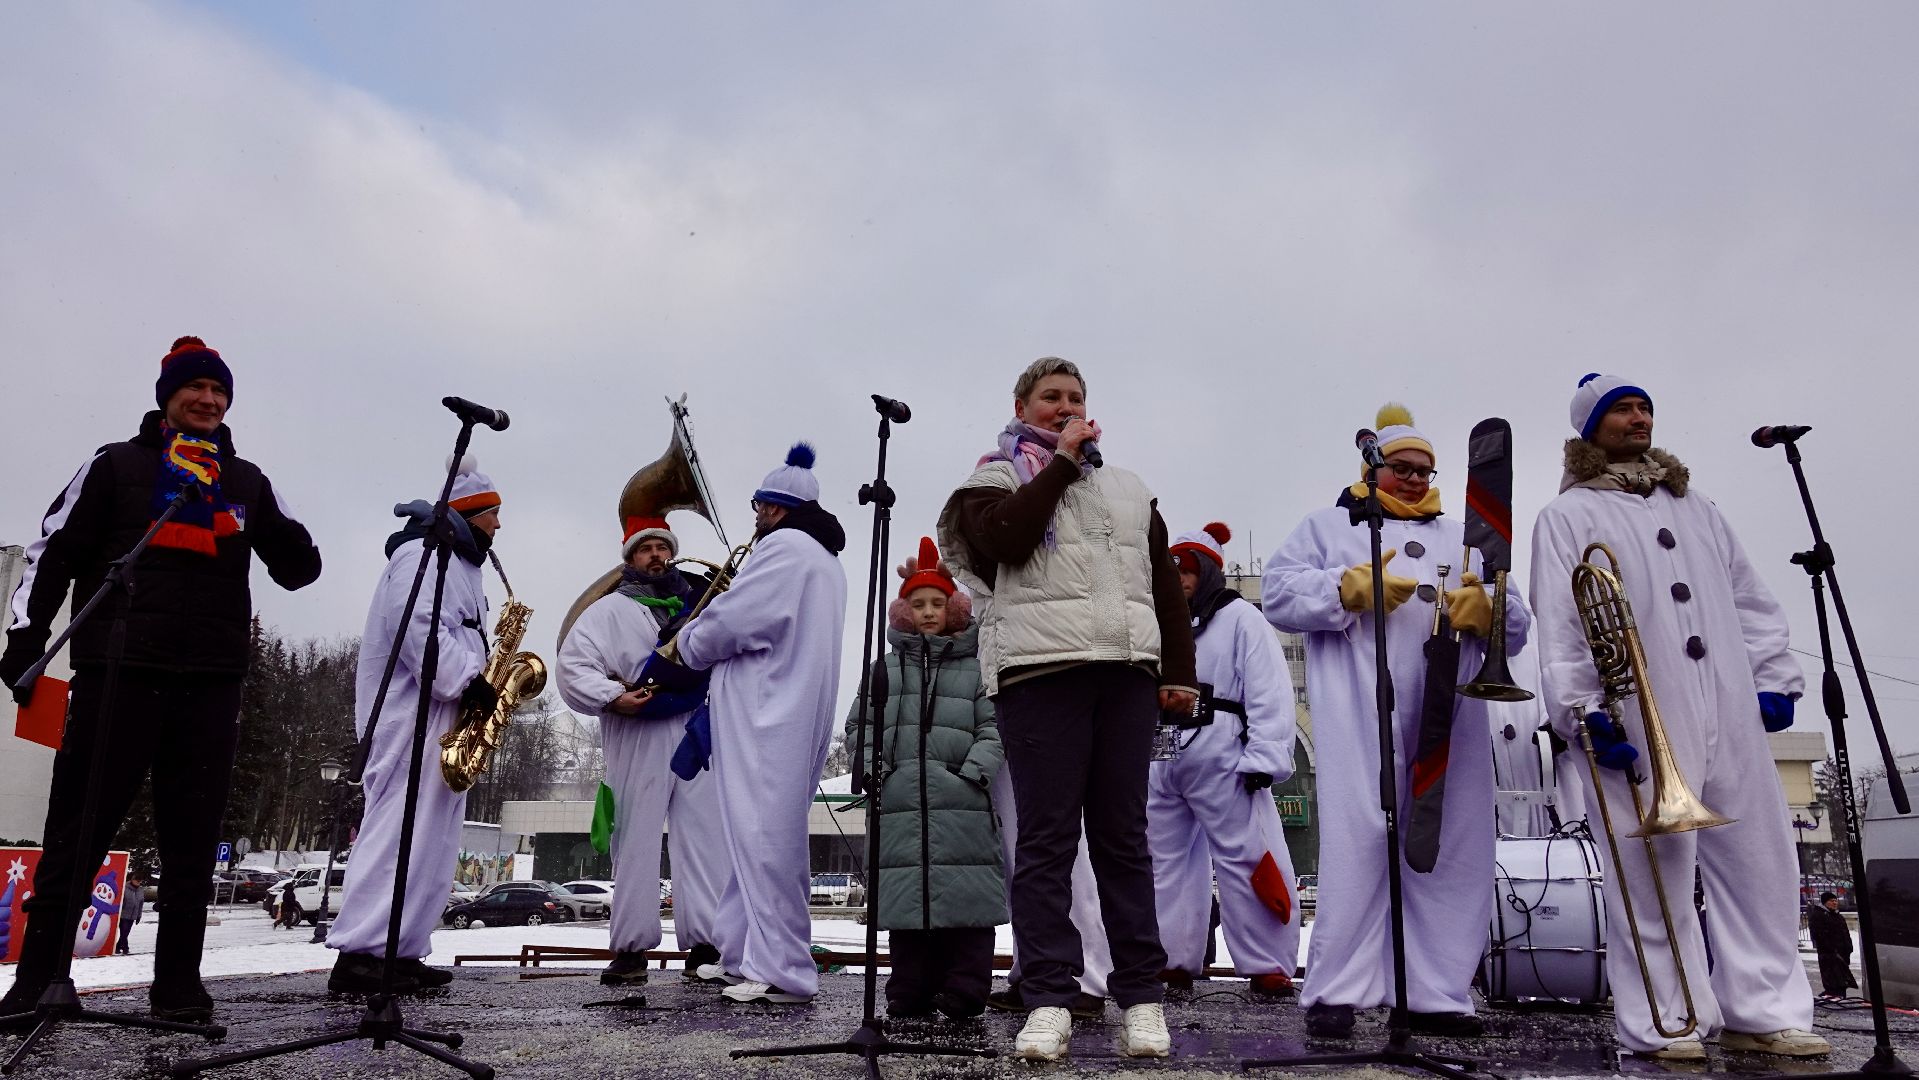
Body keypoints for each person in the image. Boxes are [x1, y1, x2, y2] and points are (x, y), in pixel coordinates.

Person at [0, 337, 321, 1023]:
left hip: (210, 681)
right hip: (120, 671)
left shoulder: (245, 479)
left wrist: (284, 530)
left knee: (191, 845)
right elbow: (49, 555)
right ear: (166, 397)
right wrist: (25, 642)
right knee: (76, 834)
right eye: (193, 390)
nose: (206, 401)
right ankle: (38, 983)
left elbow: (299, 569)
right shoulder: (117, 466)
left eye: (218, 393)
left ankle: (177, 987)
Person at [1530, 374, 1829, 1060]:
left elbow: (1750, 601)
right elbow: (1561, 623)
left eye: (1643, 407)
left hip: (1727, 708)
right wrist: (1582, 711)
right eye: (1620, 410)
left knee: (1761, 865)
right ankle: (1666, 1019)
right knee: (1650, 873)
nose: (1637, 418)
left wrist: (1774, 679)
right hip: (1637, 714)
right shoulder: (1568, 517)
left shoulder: (1697, 507)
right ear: (1591, 428)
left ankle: (1763, 1011)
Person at [938, 356, 1196, 1061]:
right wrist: (1057, 465)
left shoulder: (1128, 488)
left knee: (1123, 840)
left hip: (1123, 674)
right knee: (1047, 843)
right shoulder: (991, 479)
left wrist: (1177, 673)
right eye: (1050, 397)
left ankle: (1141, 997)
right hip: (1037, 673)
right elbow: (1004, 543)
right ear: (1021, 405)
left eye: (1075, 398)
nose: (1064, 406)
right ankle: (1048, 996)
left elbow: (1164, 585)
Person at [1264, 404, 1531, 1040]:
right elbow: (1277, 593)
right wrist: (1343, 590)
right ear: (1372, 467)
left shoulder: (1464, 533)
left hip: (1451, 707)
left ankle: (1436, 991)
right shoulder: (1329, 526)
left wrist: (1486, 609)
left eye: (1424, 470)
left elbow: (1518, 626)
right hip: (1363, 703)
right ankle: (1338, 990)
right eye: (1402, 468)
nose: (1415, 479)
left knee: (1450, 844)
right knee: (1359, 839)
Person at [674, 443, 847, 1005]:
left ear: (775, 508)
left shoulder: (788, 549)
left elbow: (738, 620)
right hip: (782, 707)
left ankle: (783, 967)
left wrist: (689, 643)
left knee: (765, 838)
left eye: (759, 506)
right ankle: (740, 950)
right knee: (750, 838)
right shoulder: (821, 559)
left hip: (766, 711)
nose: (755, 516)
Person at [326, 457, 503, 994]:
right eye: (493, 514)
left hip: (444, 716)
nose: (499, 526)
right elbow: (418, 629)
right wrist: (468, 679)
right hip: (413, 717)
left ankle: (400, 947)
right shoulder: (422, 555)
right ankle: (361, 950)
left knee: (432, 837)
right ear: (469, 513)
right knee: (398, 829)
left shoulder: (461, 566)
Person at [555, 515, 733, 986]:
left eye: (662, 546)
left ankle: (705, 942)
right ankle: (631, 948)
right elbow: (572, 668)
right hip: (636, 730)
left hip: (695, 726)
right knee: (633, 836)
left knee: (703, 835)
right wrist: (612, 697)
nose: (656, 554)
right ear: (630, 557)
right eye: (645, 548)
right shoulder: (605, 612)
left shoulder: (701, 603)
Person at [849, 537, 1005, 1020]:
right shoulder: (885, 668)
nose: (929, 612)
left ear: (954, 606)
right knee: (907, 902)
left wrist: (972, 774)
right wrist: (879, 772)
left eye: (938, 602)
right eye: (919, 604)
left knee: (967, 899)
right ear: (904, 610)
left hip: (961, 801)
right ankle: (909, 988)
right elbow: (861, 726)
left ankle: (965, 988)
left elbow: (995, 725)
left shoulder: (976, 666)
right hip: (900, 804)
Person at [1149, 521, 1301, 998]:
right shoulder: (1154, 623)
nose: (1181, 581)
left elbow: (1271, 689)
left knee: (1247, 856)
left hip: (1224, 752)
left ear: (1210, 571)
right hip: (1162, 751)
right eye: (1173, 572)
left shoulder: (1241, 619)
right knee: (1161, 860)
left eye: (1189, 571)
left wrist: (1265, 755)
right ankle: (1170, 958)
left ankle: (1267, 963)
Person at [1808, 892, 1854, 1000]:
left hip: (1842, 952)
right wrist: (1830, 948)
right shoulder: (1818, 915)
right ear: (1825, 902)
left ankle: (1839, 996)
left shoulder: (1838, 916)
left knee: (1842, 977)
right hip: (1829, 953)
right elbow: (1818, 935)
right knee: (1832, 976)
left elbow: (1845, 933)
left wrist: (1848, 947)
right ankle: (1833, 995)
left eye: (1835, 900)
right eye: (1831, 901)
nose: (1834, 903)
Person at [116, 874, 146, 955]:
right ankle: (125, 948)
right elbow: (119, 901)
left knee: (125, 933)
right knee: (124, 932)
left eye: (140, 880)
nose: (138, 882)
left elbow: (140, 904)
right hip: (123, 915)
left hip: (133, 916)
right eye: (137, 880)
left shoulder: (141, 890)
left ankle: (117, 947)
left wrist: (139, 916)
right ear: (132, 880)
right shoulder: (125, 888)